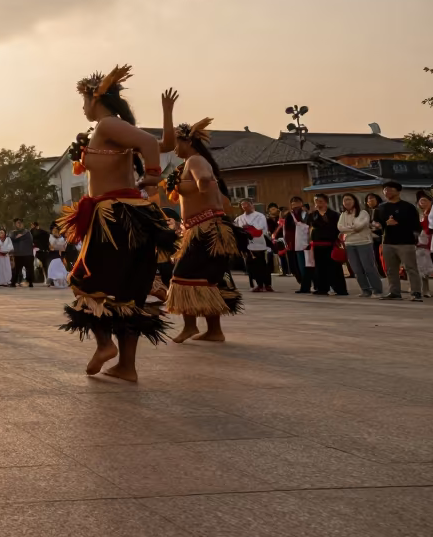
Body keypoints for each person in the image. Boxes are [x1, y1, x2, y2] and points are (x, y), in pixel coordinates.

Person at [57, 67, 174, 382]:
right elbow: (165, 144)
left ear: (95, 99)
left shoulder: (108, 124)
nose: (82, 108)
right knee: (128, 294)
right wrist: (167, 113)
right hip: (129, 216)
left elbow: (152, 145)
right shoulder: (115, 129)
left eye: (83, 101)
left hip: (115, 217)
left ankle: (106, 345)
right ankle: (127, 367)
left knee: (87, 281)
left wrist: (152, 175)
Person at [158, 103, 244, 344]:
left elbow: (203, 178)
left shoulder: (195, 161)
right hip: (203, 229)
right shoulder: (190, 162)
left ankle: (190, 326)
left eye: (176, 142)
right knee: (207, 279)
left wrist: (204, 183)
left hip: (204, 229)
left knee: (181, 276)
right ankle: (214, 331)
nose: (174, 148)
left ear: (188, 142)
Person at [375, 180, 423, 301]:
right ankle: (394, 292)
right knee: (391, 269)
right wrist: (382, 225)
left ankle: (416, 292)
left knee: (410, 268)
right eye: (385, 190)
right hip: (387, 242)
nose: (387, 192)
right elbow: (376, 224)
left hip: (406, 242)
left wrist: (398, 224)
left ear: (398, 191)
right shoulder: (381, 208)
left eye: (390, 189)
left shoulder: (408, 207)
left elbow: (416, 225)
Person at [338, 193, 381, 298]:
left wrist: (348, 229)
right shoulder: (343, 215)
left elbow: (359, 226)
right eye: (344, 200)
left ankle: (377, 290)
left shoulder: (363, 213)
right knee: (356, 269)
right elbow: (340, 228)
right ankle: (365, 290)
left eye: (349, 199)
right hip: (349, 244)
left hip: (364, 242)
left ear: (354, 201)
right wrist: (352, 228)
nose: (347, 202)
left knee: (368, 267)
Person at [306, 193, 347, 296]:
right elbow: (308, 228)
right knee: (320, 267)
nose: (318, 204)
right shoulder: (312, 215)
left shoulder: (334, 214)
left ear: (326, 202)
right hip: (317, 244)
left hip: (330, 243)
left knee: (334, 267)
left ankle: (340, 289)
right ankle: (322, 288)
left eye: (320, 201)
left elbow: (337, 229)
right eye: (316, 201)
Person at [234, 198, 273, 293]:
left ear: (252, 205)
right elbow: (236, 228)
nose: (245, 207)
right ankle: (259, 284)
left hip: (258, 244)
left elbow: (259, 229)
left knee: (262, 265)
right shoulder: (239, 218)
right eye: (243, 205)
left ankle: (267, 284)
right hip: (247, 246)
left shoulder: (260, 216)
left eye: (247, 204)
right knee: (251, 266)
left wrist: (247, 228)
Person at [274, 197, 311, 293]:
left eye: (297, 203)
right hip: (291, 244)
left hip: (302, 243)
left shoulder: (304, 213)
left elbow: (304, 222)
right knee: (294, 266)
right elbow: (284, 229)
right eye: (293, 203)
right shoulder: (288, 215)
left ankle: (306, 286)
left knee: (304, 266)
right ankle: (302, 283)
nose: (295, 205)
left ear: (301, 203)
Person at [416, 191, 433, 297]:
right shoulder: (418, 214)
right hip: (419, 243)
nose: (422, 202)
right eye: (420, 200)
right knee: (420, 267)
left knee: (428, 267)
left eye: (425, 200)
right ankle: (423, 289)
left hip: (431, 242)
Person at [9, 218, 34, 287]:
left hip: (27, 254)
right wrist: (18, 238)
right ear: (15, 224)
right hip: (17, 254)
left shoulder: (27, 232)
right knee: (16, 270)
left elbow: (30, 240)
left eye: (20, 223)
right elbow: (11, 239)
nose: (19, 224)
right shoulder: (12, 232)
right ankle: (13, 282)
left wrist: (18, 238)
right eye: (18, 223)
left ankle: (30, 282)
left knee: (29, 270)